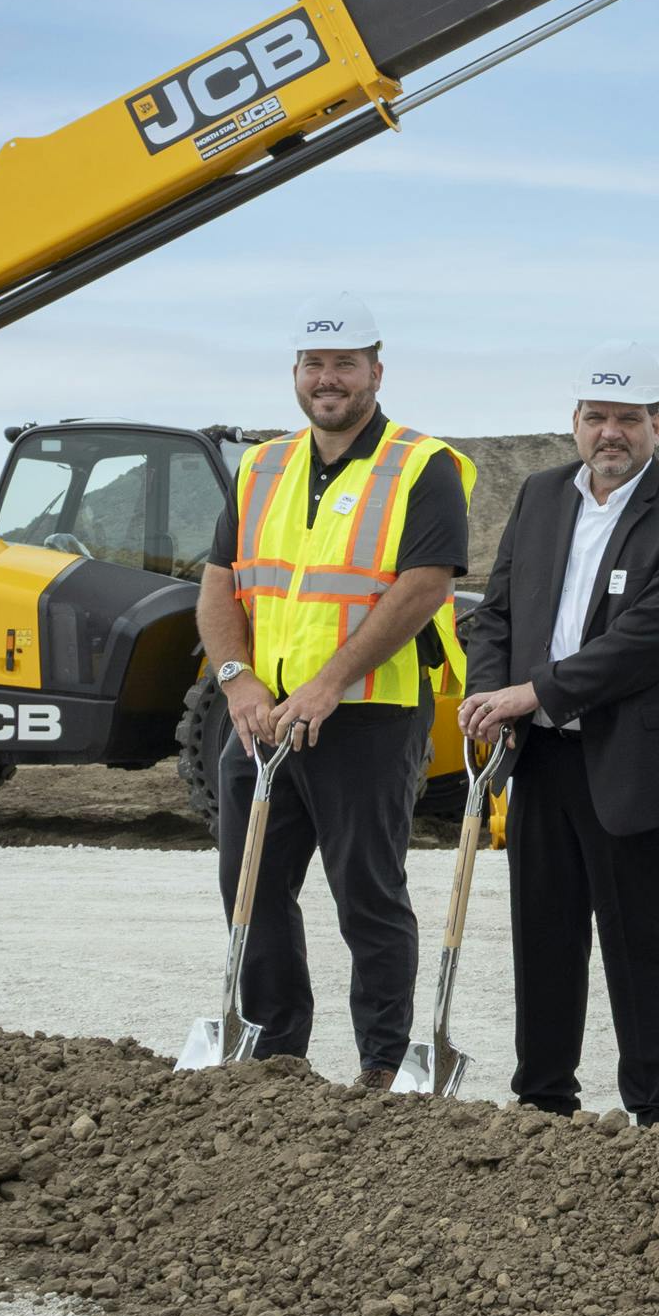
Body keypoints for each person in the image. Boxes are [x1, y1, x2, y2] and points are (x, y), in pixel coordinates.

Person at [191, 295, 475, 1088]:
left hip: (368, 717)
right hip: (263, 719)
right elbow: (218, 585)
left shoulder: (423, 465)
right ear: (295, 373)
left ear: (376, 372)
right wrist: (237, 680)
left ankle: (381, 1065)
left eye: (345, 364)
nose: (328, 379)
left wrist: (328, 685)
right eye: (314, 365)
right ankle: (274, 1054)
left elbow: (423, 587)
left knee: (367, 894)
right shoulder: (261, 466)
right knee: (249, 890)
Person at [454, 344, 659, 1121]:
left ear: (658, 425)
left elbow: (648, 641)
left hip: (635, 760)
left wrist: (531, 691)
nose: (611, 432)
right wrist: (489, 696)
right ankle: (544, 1101)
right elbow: (497, 611)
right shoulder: (541, 495)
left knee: (642, 944)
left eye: (628, 419)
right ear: (575, 422)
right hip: (541, 753)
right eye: (597, 417)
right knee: (542, 935)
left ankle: (655, 1114)